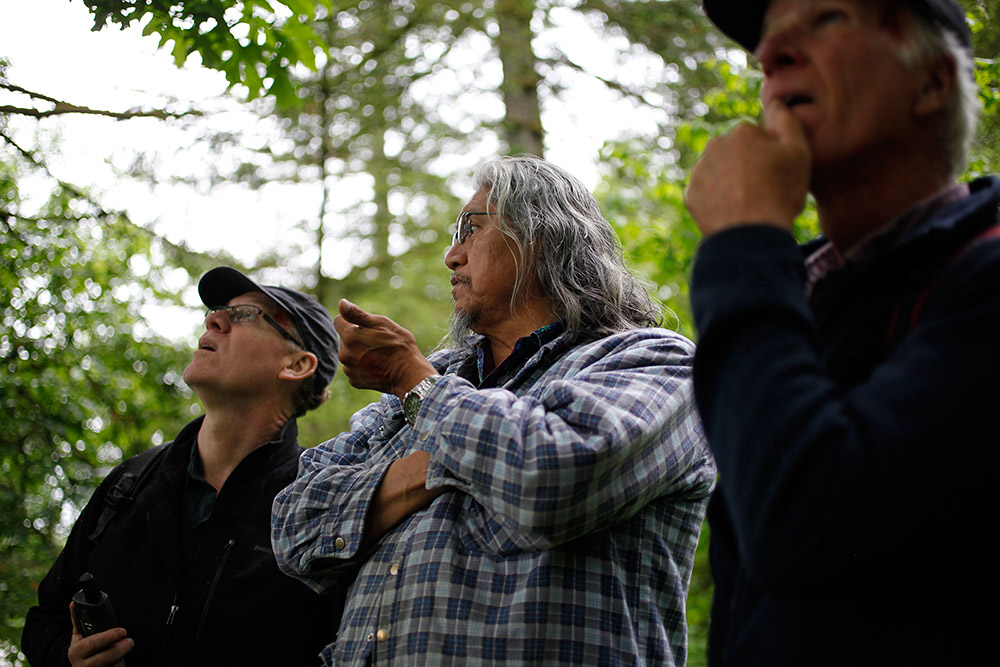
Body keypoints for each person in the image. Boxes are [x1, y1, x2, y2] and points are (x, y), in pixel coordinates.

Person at [271, 155, 716, 666]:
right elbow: (295, 526)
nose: (450, 256)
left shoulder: (656, 361)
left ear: (542, 234)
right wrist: (460, 455)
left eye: (470, 228)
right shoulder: (437, 380)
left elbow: (551, 476)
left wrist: (417, 390)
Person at [686, 0, 999, 664]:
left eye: (825, 18)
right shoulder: (793, 291)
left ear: (933, 82)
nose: (770, 57)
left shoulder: (985, 281)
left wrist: (745, 239)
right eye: (768, 44)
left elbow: (807, 523)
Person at [22, 267, 344, 667]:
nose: (214, 319)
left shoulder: (324, 506)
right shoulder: (130, 482)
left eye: (245, 314)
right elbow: (44, 619)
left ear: (296, 366)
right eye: (217, 310)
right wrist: (67, 657)